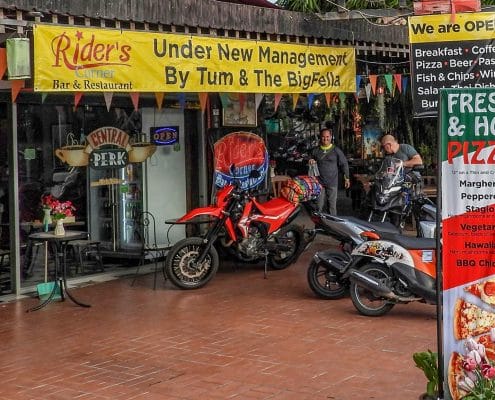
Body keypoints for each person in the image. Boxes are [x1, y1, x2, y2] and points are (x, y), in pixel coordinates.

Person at [309, 127, 350, 215]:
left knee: (332, 207)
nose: (325, 139)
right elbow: (309, 159)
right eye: (323, 137)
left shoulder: (336, 150)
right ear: (320, 137)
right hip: (319, 183)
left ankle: (332, 226)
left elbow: (344, 164)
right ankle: (318, 226)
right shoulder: (315, 151)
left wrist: (347, 178)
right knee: (318, 206)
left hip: (332, 183)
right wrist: (310, 160)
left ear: (331, 137)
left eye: (327, 136)